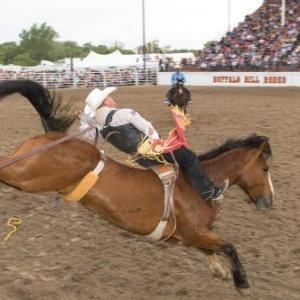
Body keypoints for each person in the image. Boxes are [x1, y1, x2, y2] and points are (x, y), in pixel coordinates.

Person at [79, 87, 228, 205]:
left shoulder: (100, 126)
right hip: (153, 150)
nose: (113, 100)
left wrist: (84, 121)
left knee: (180, 159)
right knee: (188, 157)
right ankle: (208, 192)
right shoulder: (124, 113)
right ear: (105, 102)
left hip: (139, 159)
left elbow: (89, 137)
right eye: (110, 98)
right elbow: (148, 128)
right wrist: (161, 144)